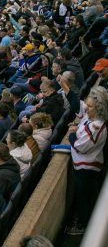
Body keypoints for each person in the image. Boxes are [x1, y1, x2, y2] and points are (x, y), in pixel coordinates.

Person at [66, 87, 108, 235]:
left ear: (99, 108)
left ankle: (85, 227)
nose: (87, 108)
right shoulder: (90, 118)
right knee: (84, 197)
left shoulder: (97, 126)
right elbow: (80, 108)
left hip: (87, 169)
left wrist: (72, 134)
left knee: (85, 199)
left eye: (90, 106)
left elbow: (80, 146)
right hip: (83, 167)